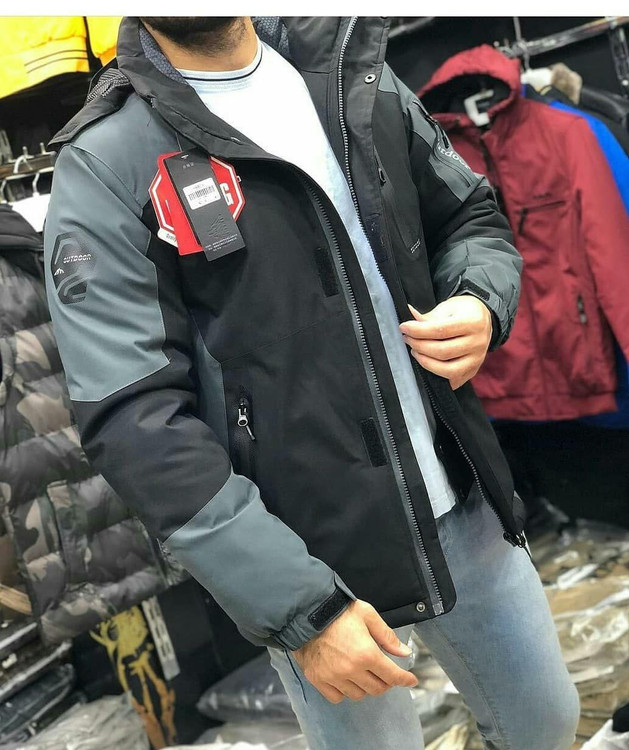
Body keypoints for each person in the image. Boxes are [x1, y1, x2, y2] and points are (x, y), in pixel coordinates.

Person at [43, 16, 580, 750]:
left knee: (544, 724)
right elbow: (135, 418)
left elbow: (466, 217)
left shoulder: (350, 72)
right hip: (314, 558)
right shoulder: (109, 160)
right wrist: (298, 608)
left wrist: (479, 300)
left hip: (460, 498)